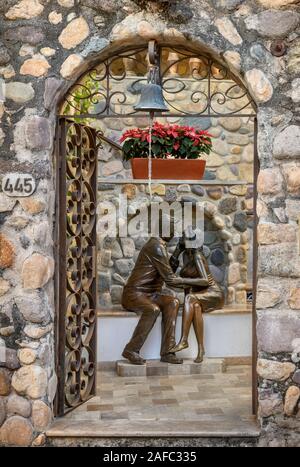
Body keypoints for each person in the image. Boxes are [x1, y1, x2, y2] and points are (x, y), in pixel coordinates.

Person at [121, 220, 212, 365]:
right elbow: (169, 278)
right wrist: (197, 282)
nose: (174, 233)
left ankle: (167, 351)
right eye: (172, 230)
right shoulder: (155, 246)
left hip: (151, 294)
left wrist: (178, 250)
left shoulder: (159, 245)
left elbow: (167, 270)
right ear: (164, 230)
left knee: (172, 302)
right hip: (135, 294)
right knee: (153, 309)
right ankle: (131, 349)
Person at [169, 231, 225, 363]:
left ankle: (184, 340)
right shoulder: (185, 256)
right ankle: (201, 350)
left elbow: (205, 281)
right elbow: (174, 272)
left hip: (214, 293)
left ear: (189, 241)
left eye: (182, 237)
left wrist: (182, 281)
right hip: (200, 295)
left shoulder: (197, 256)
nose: (180, 239)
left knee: (190, 299)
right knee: (194, 306)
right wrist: (177, 251)